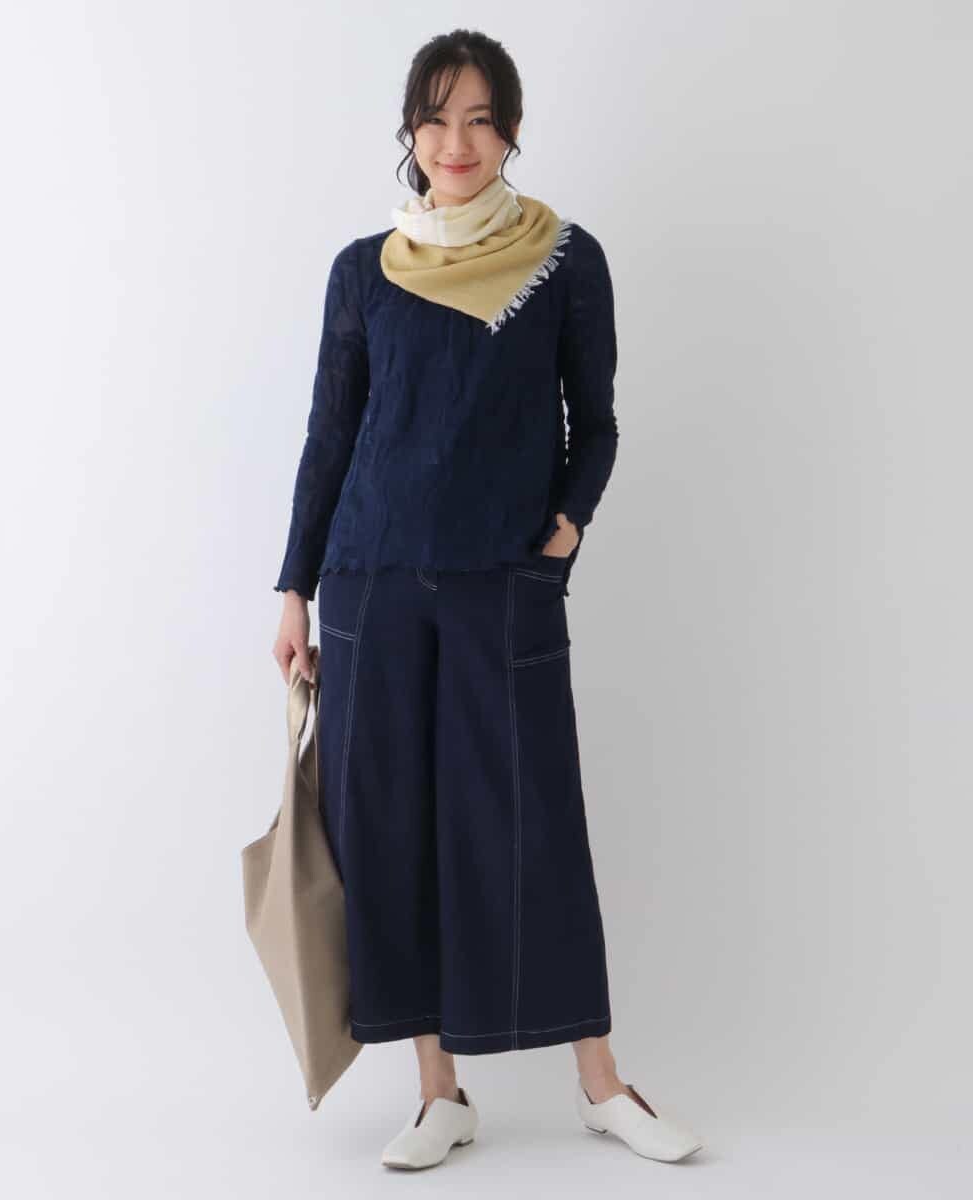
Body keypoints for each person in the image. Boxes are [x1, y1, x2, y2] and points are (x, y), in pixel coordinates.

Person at [272, 28, 703, 1170]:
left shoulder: (564, 260)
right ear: (409, 132)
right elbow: (330, 439)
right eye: (435, 118)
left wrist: (561, 536)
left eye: (478, 119)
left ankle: (602, 1085)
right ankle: (439, 1092)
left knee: (535, 829)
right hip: (370, 589)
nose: (455, 142)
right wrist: (295, 589)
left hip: (502, 590)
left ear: (510, 130)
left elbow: (595, 425)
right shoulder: (364, 270)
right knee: (392, 834)